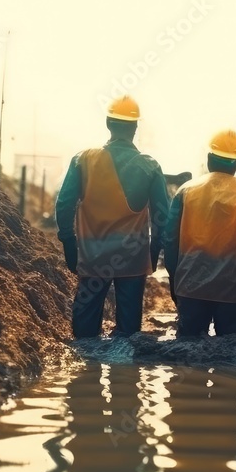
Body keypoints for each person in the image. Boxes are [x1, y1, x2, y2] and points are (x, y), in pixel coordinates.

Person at [55, 96, 170, 338]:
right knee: (128, 337)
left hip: (93, 256)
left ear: (108, 122)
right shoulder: (149, 166)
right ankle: (125, 375)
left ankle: (86, 372)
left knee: (85, 335)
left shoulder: (83, 159)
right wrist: (152, 250)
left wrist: (69, 242)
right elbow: (162, 218)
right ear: (135, 128)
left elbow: (64, 204)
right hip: (132, 258)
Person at [164, 130, 236, 337]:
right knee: (232, 356)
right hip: (231, 289)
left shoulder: (185, 191)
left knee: (187, 355)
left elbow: (169, 240)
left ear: (209, 159)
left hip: (190, 286)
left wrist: (175, 280)